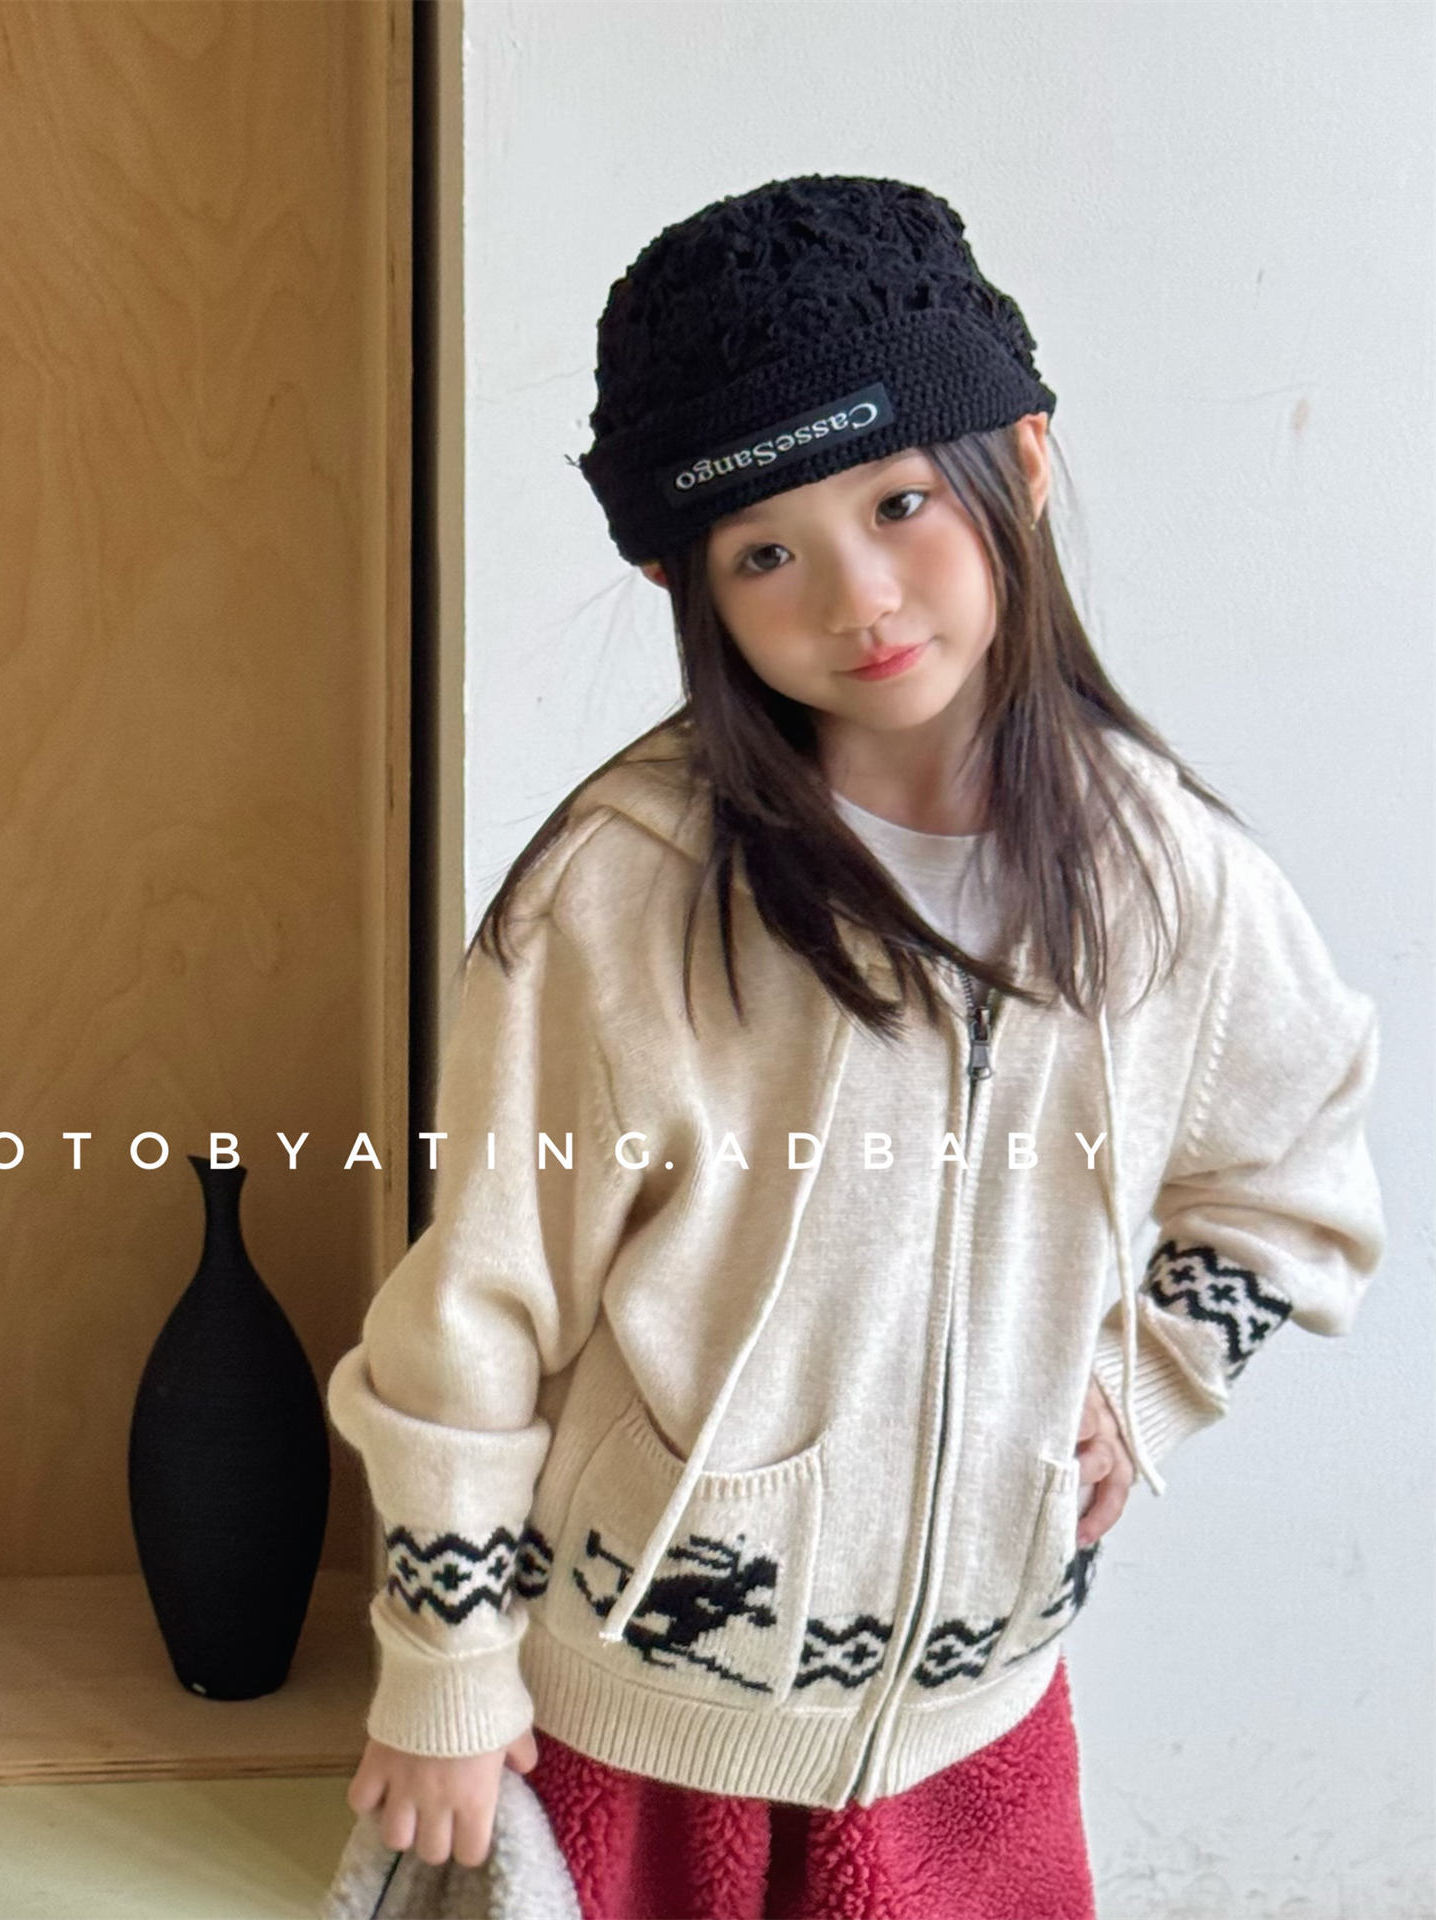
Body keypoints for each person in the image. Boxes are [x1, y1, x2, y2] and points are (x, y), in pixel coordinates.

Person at [324, 175, 1386, 1920]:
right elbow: (483, 1299)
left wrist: (1154, 1377)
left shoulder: (1169, 880)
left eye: (901, 502)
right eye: (768, 552)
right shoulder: (626, 891)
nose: (860, 595)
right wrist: (445, 1667)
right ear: (682, 579)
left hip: (976, 1721)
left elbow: (1296, 1170)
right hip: (644, 1717)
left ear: (1018, 463)